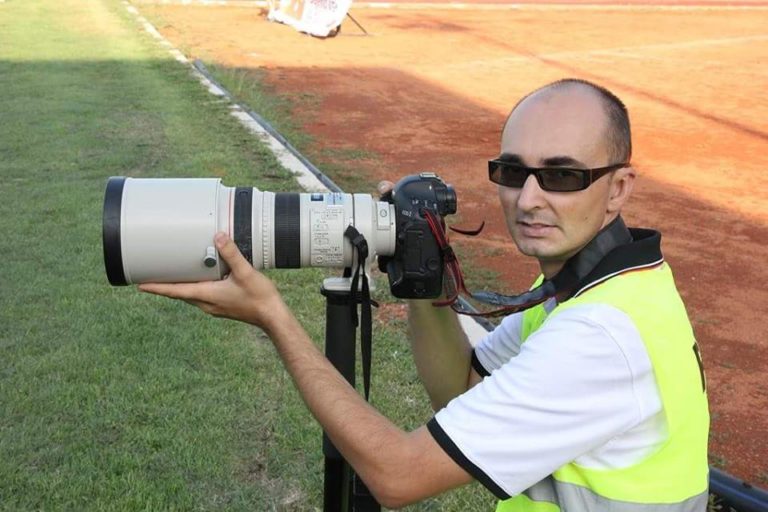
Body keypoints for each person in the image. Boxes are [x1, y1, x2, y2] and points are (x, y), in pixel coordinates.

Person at [140, 78, 710, 510]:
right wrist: (422, 272)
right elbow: (458, 389)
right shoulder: (598, 283)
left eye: (561, 176)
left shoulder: (600, 335)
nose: (530, 199)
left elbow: (397, 476)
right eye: (512, 172)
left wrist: (273, 316)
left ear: (618, 189)